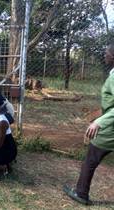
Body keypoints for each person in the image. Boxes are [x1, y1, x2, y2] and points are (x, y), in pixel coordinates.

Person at [63, 45, 114, 205]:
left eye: (107, 52)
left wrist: (99, 121)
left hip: (110, 128)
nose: (104, 55)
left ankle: (81, 193)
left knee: (91, 159)